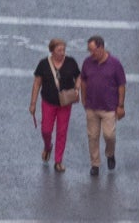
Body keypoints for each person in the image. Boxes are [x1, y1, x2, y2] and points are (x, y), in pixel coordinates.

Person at [31, 36, 81, 172]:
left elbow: (78, 76)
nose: (62, 53)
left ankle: (58, 161)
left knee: (62, 132)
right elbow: (37, 84)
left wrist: (77, 88)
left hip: (65, 103)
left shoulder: (71, 62)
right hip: (48, 102)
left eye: (63, 50)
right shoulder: (43, 64)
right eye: (59, 50)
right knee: (46, 130)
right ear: (52, 51)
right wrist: (33, 103)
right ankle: (48, 146)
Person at [80, 34, 127, 177]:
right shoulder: (87, 62)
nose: (91, 53)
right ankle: (95, 164)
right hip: (92, 106)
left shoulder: (115, 63)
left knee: (109, 135)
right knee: (92, 136)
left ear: (101, 47)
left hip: (109, 107)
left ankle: (110, 153)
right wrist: (83, 98)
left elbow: (121, 85)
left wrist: (120, 105)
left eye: (93, 50)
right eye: (89, 50)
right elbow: (83, 81)